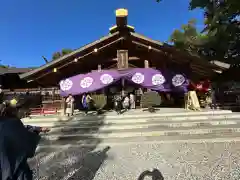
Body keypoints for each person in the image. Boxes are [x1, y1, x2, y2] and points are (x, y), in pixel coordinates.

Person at [0, 101, 49, 180]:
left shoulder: (9, 123)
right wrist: (35, 133)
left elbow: (24, 129)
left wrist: (37, 129)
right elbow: (25, 139)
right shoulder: (14, 123)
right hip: (15, 164)